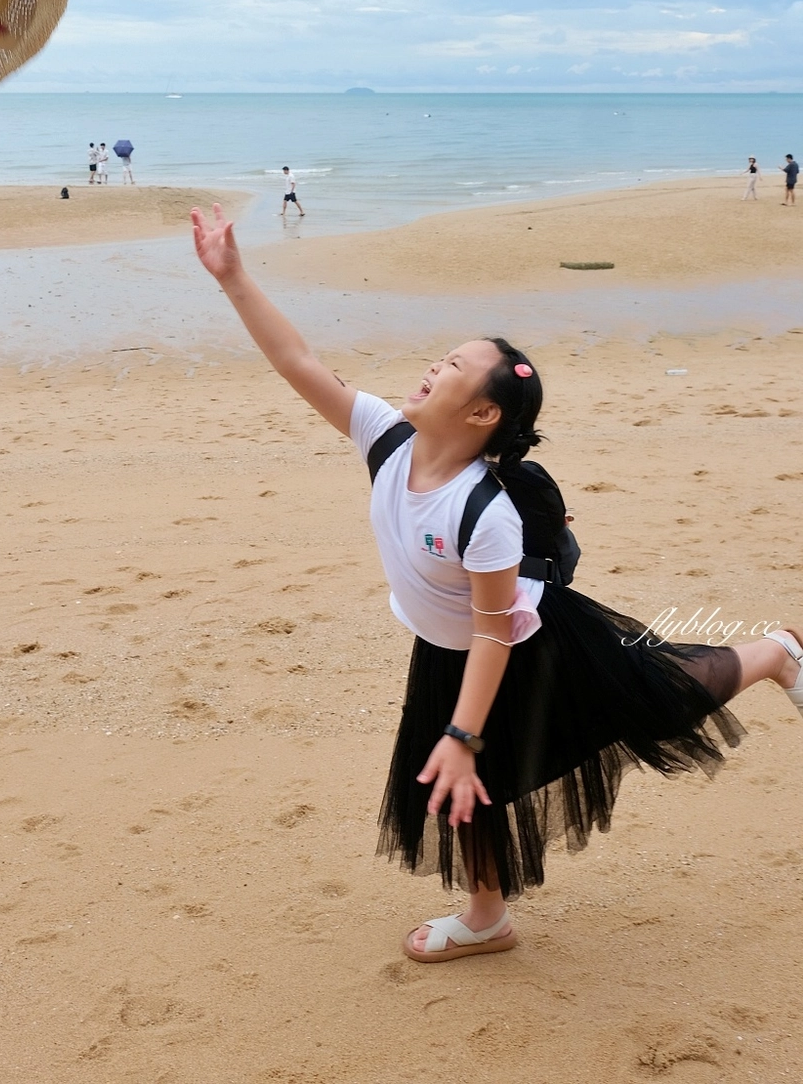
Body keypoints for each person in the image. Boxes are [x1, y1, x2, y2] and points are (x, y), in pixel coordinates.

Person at [190, 202, 803, 962]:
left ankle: (775, 653)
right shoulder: (385, 438)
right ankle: (488, 918)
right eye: (441, 356)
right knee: (461, 788)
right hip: (449, 649)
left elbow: (495, 629)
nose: (432, 367)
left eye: (451, 367)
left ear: (482, 411)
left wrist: (462, 733)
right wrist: (232, 275)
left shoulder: (485, 513)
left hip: (530, 644)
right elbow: (296, 360)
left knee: (657, 703)